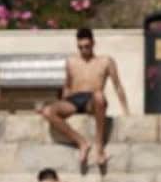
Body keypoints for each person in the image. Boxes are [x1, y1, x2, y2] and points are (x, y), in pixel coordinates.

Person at [37, 27, 130, 166]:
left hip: (91, 100)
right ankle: (81, 142)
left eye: (86, 46)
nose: (83, 50)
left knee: (99, 95)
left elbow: (117, 86)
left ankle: (99, 146)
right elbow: (67, 86)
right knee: (47, 111)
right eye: (80, 47)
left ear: (93, 43)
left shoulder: (106, 61)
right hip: (73, 100)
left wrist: (126, 110)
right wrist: (58, 104)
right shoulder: (71, 62)